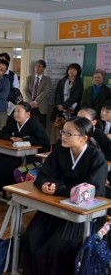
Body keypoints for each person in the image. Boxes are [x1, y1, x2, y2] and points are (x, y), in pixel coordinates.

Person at [22, 117, 107, 275]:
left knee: (58, 244)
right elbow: (42, 175)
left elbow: (89, 190)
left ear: (83, 138)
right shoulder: (60, 151)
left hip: (83, 212)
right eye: (63, 132)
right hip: (57, 206)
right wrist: (44, 185)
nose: (63, 136)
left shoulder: (96, 158)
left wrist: (58, 189)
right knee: (31, 237)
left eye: (69, 133)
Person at [0, 102, 50, 198]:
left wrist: (24, 139)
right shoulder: (14, 122)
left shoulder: (34, 124)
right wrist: (11, 138)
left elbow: (45, 141)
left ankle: (12, 191)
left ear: (27, 113)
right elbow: (2, 133)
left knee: (10, 164)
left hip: (29, 156)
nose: (16, 113)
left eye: (19, 111)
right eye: (14, 111)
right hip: (13, 152)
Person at [24, 60, 51, 127]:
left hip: (41, 107)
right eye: (36, 66)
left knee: (41, 127)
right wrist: (31, 102)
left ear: (44, 68)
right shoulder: (29, 78)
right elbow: (26, 90)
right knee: (29, 125)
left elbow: (45, 92)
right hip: (30, 106)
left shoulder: (47, 79)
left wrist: (35, 102)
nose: (37, 68)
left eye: (39, 66)